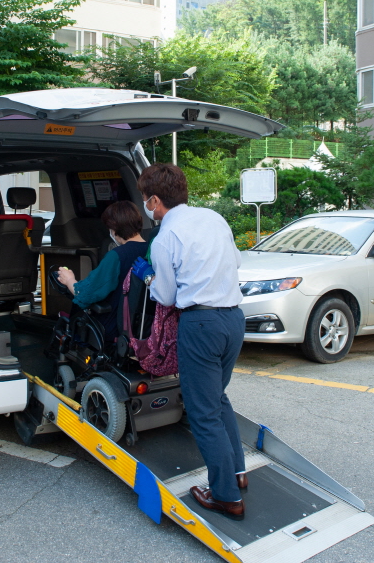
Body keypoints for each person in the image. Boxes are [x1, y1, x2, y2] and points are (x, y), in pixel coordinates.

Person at [131, 163, 247, 518]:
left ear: (155, 200)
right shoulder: (213, 219)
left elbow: (165, 296)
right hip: (234, 319)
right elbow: (236, 261)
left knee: (202, 413)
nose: (146, 208)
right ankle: (238, 473)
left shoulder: (166, 237)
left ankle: (226, 496)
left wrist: (148, 276)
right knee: (218, 398)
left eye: (145, 202)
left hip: (200, 325)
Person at [56, 201, 148, 341]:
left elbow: (86, 294)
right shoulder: (152, 250)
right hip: (144, 325)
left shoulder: (117, 255)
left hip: (114, 326)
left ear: (114, 228)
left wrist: (69, 280)